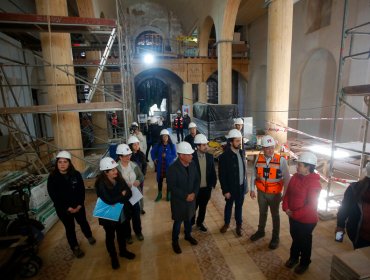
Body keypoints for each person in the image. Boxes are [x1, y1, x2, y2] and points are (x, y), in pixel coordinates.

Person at [47, 151, 96, 259]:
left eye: (65, 162)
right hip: (63, 210)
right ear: (57, 163)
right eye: (60, 162)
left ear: (69, 163)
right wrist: (67, 208)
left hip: (78, 206)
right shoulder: (52, 177)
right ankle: (75, 247)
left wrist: (79, 205)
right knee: (70, 228)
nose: (62, 164)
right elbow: (54, 196)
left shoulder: (76, 174)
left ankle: (89, 236)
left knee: (83, 222)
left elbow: (81, 191)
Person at [249, 135, 291, 249]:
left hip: (275, 194)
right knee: (262, 213)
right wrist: (252, 189)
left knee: (275, 215)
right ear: (263, 148)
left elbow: (287, 179)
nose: (270, 150)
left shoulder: (281, 160)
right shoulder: (258, 159)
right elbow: (254, 174)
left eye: (272, 147)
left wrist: (285, 195)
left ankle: (275, 237)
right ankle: (260, 231)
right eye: (267, 148)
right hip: (261, 192)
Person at [282, 152, 321, 274]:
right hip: (293, 216)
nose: (297, 167)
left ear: (308, 167)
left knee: (304, 241)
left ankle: (304, 262)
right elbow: (288, 193)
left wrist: (294, 214)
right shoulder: (295, 177)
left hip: (306, 220)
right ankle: (294, 257)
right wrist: (286, 207)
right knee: (295, 238)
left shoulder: (314, 183)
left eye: (300, 165)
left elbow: (311, 206)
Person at [94, 157, 135, 270]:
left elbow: (129, 193)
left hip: (121, 212)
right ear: (105, 172)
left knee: (121, 233)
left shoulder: (119, 178)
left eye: (115, 169)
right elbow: (109, 200)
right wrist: (121, 195)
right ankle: (113, 257)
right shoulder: (100, 184)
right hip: (109, 216)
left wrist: (119, 197)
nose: (116, 171)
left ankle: (123, 251)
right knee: (110, 236)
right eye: (112, 170)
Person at [167, 142, 200, 254]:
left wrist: (194, 194)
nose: (192, 156)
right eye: (189, 154)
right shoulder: (172, 168)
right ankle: (175, 242)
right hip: (179, 201)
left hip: (191, 199)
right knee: (178, 222)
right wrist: (186, 196)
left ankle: (187, 235)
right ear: (181, 155)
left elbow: (197, 180)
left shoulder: (193, 164)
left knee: (189, 218)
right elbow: (172, 187)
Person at [219, 129, 248, 237]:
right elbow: (222, 176)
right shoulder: (224, 157)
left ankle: (238, 226)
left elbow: (244, 170)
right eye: (236, 141)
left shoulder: (241, 152)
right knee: (229, 206)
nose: (239, 143)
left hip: (240, 187)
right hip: (230, 189)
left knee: (239, 207)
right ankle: (226, 224)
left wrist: (245, 186)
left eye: (239, 140)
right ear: (230, 142)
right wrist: (225, 190)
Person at [336, 162, 370, 249]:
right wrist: (340, 226)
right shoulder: (354, 189)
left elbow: (344, 209)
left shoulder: (354, 189)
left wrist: (340, 226)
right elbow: (344, 209)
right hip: (360, 236)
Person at [116, 143, 145, 243]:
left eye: (129, 155)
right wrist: (122, 188)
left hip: (134, 195)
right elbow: (114, 183)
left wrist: (138, 181)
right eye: (126, 155)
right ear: (120, 156)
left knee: (136, 215)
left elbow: (141, 176)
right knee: (126, 217)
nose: (129, 157)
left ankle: (138, 232)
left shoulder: (134, 165)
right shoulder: (115, 169)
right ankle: (127, 235)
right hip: (124, 197)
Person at [191, 134, 217, 232]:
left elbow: (212, 171)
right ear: (197, 146)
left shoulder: (210, 157)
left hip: (206, 188)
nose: (206, 147)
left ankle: (200, 222)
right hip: (195, 189)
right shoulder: (191, 158)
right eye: (203, 145)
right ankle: (191, 222)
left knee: (203, 207)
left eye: (206, 144)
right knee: (193, 208)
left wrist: (213, 184)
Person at [151, 129, 177, 202]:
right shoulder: (158, 145)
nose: (165, 138)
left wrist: (167, 156)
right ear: (161, 137)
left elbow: (174, 155)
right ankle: (159, 194)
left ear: (168, 137)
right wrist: (154, 159)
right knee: (160, 180)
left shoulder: (172, 146)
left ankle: (168, 194)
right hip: (160, 166)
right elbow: (152, 152)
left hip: (169, 166)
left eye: (166, 136)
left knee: (169, 180)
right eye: (163, 136)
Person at [128, 135, 147, 215]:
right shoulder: (128, 155)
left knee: (140, 193)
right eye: (134, 144)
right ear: (130, 146)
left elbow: (144, 165)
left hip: (139, 178)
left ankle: (141, 208)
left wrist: (142, 175)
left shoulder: (141, 154)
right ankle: (133, 209)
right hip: (130, 179)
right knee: (131, 193)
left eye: (137, 144)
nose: (137, 146)